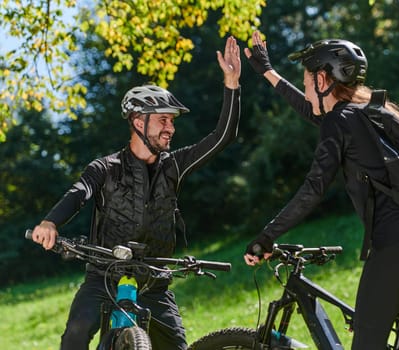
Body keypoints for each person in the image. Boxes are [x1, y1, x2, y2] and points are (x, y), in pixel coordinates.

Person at [30, 36, 241, 350]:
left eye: (172, 121)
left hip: (154, 283)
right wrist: (50, 223)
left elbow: (223, 136)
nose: (170, 128)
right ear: (138, 121)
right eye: (163, 120)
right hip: (103, 278)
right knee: (75, 335)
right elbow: (79, 193)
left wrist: (232, 85)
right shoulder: (105, 166)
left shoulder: (175, 166)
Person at [242, 31, 399, 350]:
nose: (307, 90)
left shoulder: (343, 120)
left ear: (323, 80)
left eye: (308, 82)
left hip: (394, 247)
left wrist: (267, 236)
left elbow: (313, 188)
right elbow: (315, 112)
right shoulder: (368, 111)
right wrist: (269, 72)